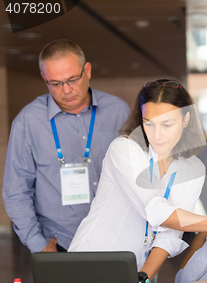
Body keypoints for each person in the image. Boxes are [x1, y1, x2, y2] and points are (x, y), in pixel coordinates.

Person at [69, 79, 207, 283]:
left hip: (142, 278)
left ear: (186, 119)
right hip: (93, 267)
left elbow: (170, 233)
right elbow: (156, 210)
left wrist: (142, 280)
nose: (157, 135)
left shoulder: (192, 168)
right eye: (148, 124)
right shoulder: (125, 149)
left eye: (167, 124)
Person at [2, 39, 130, 253]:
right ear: (45, 80)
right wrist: (38, 244)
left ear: (87, 70)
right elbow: (16, 190)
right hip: (61, 244)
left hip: (117, 237)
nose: (67, 90)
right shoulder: (29, 121)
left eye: (72, 79)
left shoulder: (118, 111)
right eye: (56, 83)